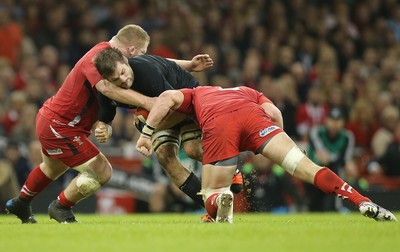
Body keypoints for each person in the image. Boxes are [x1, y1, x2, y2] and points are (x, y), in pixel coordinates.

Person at [4, 24, 209, 224]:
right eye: (141, 52)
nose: (142, 57)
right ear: (130, 51)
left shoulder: (114, 60)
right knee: (102, 171)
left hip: (58, 121)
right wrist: (149, 102)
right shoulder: (96, 58)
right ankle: (61, 206)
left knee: (51, 168)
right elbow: (106, 89)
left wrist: (188, 65)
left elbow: (154, 61)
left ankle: (21, 202)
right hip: (61, 125)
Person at [135, 85, 397, 223]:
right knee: (304, 166)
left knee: (211, 195)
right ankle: (360, 200)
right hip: (255, 118)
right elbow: (274, 114)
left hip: (219, 122)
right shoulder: (248, 90)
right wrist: (281, 142)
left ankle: (221, 200)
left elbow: (167, 98)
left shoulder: (195, 94)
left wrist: (146, 133)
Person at [93, 48, 243, 213]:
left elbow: (172, 107)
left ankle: (231, 169)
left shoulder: (147, 73)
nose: (124, 80)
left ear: (125, 61)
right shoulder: (107, 91)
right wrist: (103, 129)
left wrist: (147, 130)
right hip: (158, 112)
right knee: (165, 157)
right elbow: (105, 120)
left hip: (188, 102)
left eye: (122, 72)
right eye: (116, 79)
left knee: (192, 150)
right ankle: (212, 207)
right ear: (107, 81)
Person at [306, 107, 356, 212]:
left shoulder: (348, 137)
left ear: (343, 122)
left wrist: (347, 164)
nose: (335, 124)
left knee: (344, 170)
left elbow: (346, 161)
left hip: (334, 170)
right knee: (314, 205)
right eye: (332, 120)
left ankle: (338, 207)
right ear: (326, 120)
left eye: (338, 120)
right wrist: (338, 159)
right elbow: (323, 158)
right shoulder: (316, 132)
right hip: (314, 169)